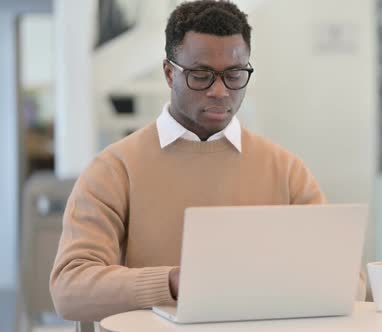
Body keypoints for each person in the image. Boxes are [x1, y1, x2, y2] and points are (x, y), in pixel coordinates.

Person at [50, 0, 365, 322]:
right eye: (201, 75)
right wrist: (172, 283)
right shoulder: (114, 169)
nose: (219, 91)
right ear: (169, 73)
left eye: (234, 75)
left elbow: (348, 284)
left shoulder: (286, 171)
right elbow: (70, 289)